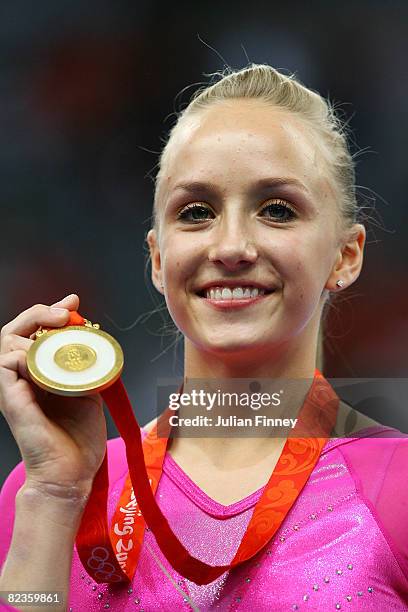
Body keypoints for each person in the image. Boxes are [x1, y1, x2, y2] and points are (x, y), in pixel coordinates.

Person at [0, 64, 407, 612]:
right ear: (158, 258)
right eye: (197, 213)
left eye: (277, 210)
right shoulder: (46, 489)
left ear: (345, 254)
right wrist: (54, 496)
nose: (232, 246)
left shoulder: (397, 488)